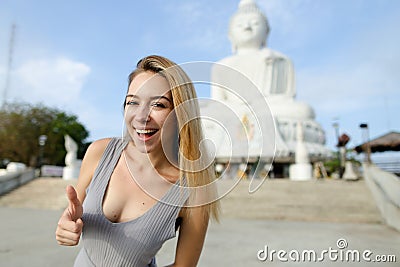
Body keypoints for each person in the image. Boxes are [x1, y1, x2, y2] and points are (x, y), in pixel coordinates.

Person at [55, 55, 219, 266]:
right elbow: (71, 214)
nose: (141, 116)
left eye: (158, 105)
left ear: (181, 114)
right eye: (133, 101)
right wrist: (65, 226)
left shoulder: (194, 191)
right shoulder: (99, 151)